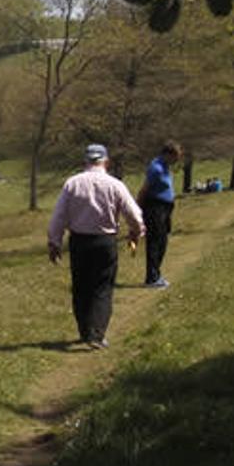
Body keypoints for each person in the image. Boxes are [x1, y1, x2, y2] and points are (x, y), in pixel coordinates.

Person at [46, 143, 145, 350]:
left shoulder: (72, 184)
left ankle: (85, 331)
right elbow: (133, 214)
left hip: (79, 241)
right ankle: (97, 333)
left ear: (86, 162)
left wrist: (54, 242)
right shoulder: (115, 184)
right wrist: (136, 232)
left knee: (81, 287)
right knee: (102, 287)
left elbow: (58, 217)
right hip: (105, 241)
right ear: (105, 162)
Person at [138, 141, 182, 289]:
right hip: (154, 207)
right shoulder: (155, 168)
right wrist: (138, 209)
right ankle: (151, 278)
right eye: (175, 157)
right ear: (167, 154)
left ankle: (157, 274)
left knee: (163, 242)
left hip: (165, 208)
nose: (176, 161)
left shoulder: (165, 167)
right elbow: (144, 189)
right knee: (155, 243)